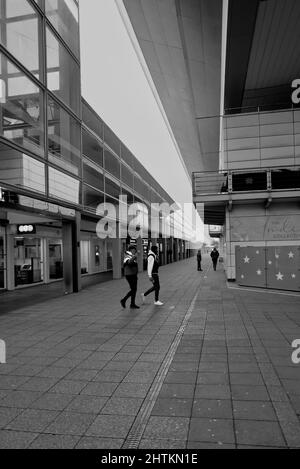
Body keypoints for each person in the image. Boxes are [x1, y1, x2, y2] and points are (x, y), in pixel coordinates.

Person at [120, 245, 140, 309]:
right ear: (131, 250)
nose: (135, 251)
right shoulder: (127, 256)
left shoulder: (131, 256)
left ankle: (132, 304)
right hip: (129, 275)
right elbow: (129, 262)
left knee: (134, 289)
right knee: (133, 289)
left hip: (133, 275)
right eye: (134, 250)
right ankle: (124, 300)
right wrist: (135, 256)